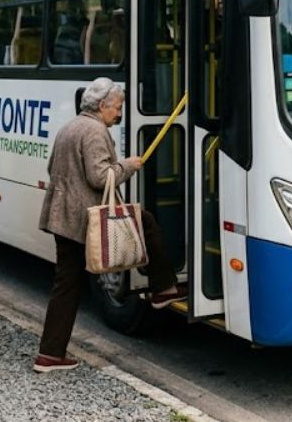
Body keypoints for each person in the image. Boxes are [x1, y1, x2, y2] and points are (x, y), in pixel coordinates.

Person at [34, 77, 185, 373]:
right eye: (117, 107)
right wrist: (128, 165)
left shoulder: (70, 126)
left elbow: (53, 168)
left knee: (66, 286)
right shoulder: (95, 131)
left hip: (62, 215)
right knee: (147, 222)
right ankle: (163, 288)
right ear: (102, 105)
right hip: (84, 217)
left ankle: (49, 354)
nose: (119, 113)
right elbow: (100, 177)